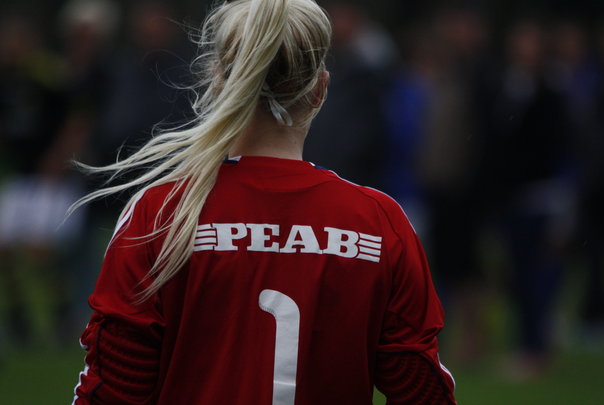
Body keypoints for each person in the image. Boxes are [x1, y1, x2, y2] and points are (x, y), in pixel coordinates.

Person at [70, 1, 456, 404]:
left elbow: (112, 390)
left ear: (218, 81)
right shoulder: (379, 222)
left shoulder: (161, 213)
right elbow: (422, 393)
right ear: (320, 88)